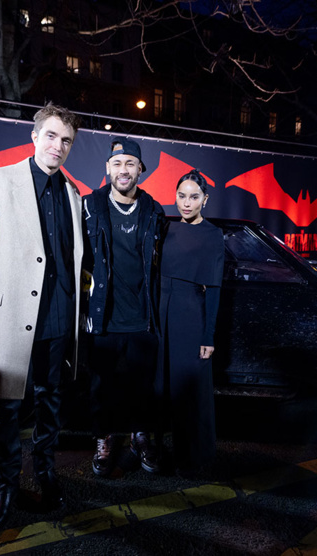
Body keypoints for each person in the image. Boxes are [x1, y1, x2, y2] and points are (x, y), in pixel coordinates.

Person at [0, 103, 84, 537]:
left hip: (57, 313)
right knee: (4, 405)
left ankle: (46, 472)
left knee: (50, 400)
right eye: (52, 136)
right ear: (34, 136)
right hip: (10, 315)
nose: (58, 146)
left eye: (66, 140)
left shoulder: (73, 194)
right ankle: (6, 485)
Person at [82, 136, 165, 477]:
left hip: (142, 317)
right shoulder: (90, 205)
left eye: (130, 163)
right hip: (102, 317)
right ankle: (104, 440)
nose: (123, 170)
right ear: (107, 169)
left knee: (141, 388)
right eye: (117, 163)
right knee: (102, 387)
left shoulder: (153, 210)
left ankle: (139, 437)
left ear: (141, 170)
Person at [158, 169, 224, 476]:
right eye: (181, 196)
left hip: (190, 314)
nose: (186, 203)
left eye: (194, 197)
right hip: (160, 310)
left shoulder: (212, 234)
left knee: (190, 390)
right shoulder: (165, 228)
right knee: (160, 387)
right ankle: (155, 452)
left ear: (205, 200)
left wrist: (208, 335)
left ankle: (195, 458)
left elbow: (213, 289)